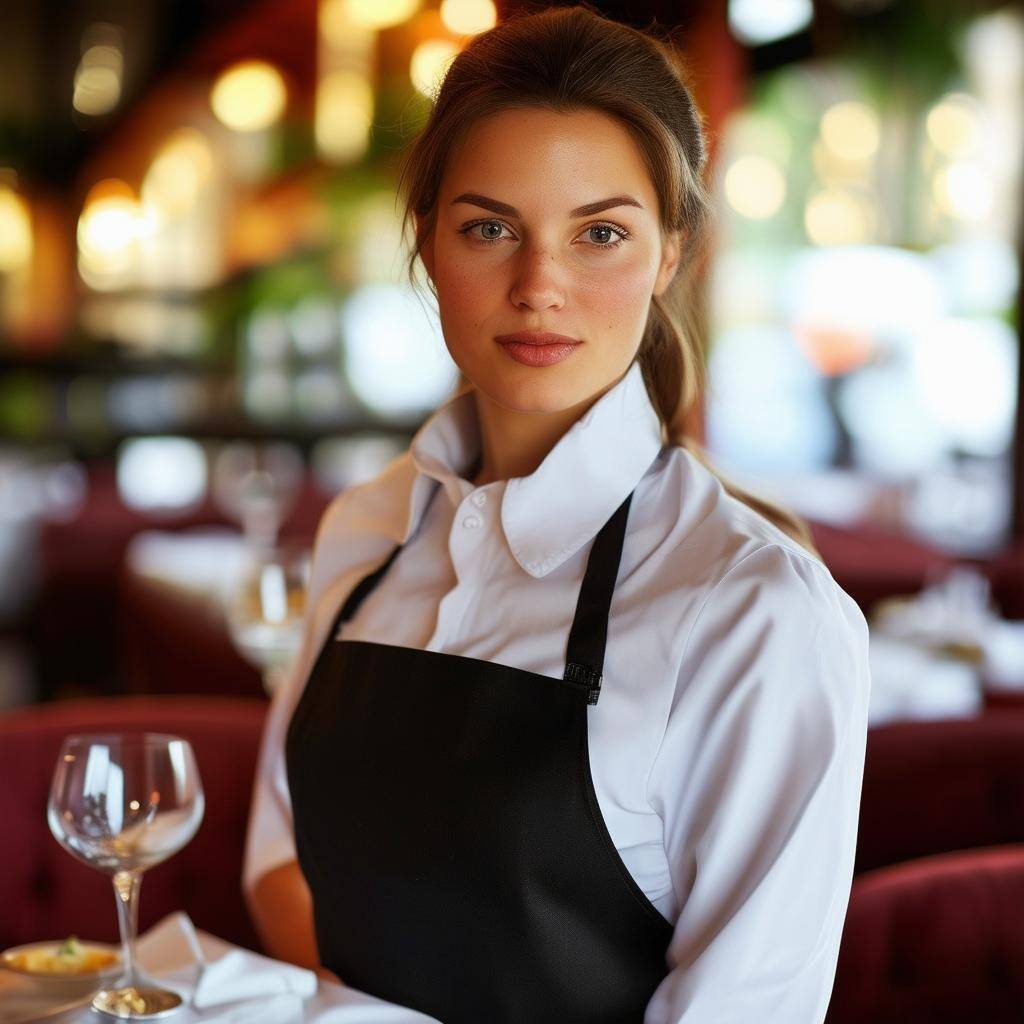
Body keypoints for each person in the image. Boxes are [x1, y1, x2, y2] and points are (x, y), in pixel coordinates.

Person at [243, 5, 872, 1022]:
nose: (540, 286)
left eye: (601, 234)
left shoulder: (754, 608)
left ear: (672, 254)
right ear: (426, 242)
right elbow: (280, 854)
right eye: (490, 227)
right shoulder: (364, 529)